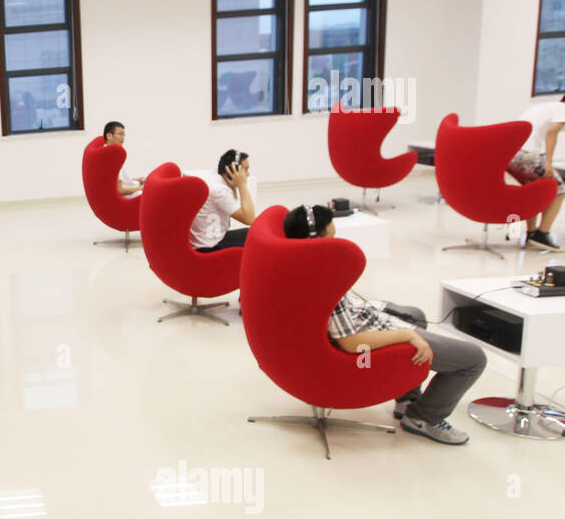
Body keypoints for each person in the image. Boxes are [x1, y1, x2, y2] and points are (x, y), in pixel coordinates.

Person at [284, 203, 486, 446]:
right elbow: (351, 343)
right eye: (332, 236)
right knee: (473, 360)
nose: (336, 242)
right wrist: (406, 335)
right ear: (316, 239)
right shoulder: (323, 283)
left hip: (364, 318)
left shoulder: (302, 264)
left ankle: (407, 399)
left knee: (416, 314)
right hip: (364, 335)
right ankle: (422, 417)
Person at [506, 93, 565, 251]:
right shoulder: (563, 109)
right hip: (525, 154)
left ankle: (531, 233)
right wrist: (548, 163)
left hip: (509, 153)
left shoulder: (545, 107)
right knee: (559, 189)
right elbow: (552, 132)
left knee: (534, 189)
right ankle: (542, 233)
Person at [190, 149, 256, 252]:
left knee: (254, 233)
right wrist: (242, 185)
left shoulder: (214, 176)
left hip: (206, 240)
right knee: (255, 236)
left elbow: (234, 202)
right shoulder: (220, 191)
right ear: (233, 170)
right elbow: (249, 219)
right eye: (245, 170)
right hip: (211, 247)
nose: (247, 175)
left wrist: (234, 185)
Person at [102, 121, 143, 196]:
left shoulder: (105, 151)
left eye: (123, 135)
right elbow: (120, 190)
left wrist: (133, 181)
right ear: (109, 136)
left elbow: (117, 180)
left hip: (131, 187)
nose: (123, 138)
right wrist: (142, 187)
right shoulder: (113, 157)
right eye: (120, 134)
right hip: (130, 195)